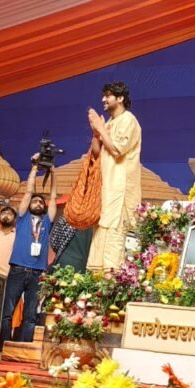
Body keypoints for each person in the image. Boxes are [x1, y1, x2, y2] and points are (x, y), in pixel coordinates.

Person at [1, 159, 57, 347]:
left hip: (37, 274)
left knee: (31, 315)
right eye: (35, 201)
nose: (38, 203)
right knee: (7, 312)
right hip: (18, 269)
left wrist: (53, 172)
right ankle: (3, 346)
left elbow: (53, 196)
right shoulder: (22, 218)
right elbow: (27, 192)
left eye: (41, 202)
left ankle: (23, 348)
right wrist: (34, 167)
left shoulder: (47, 221)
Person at [87, 81, 142, 273]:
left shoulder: (128, 120)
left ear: (120, 98)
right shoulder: (109, 123)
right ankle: (95, 282)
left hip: (120, 190)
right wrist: (96, 132)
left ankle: (110, 284)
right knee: (100, 236)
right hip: (106, 189)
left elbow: (117, 150)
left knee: (114, 237)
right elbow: (96, 153)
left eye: (108, 95)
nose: (103, 99)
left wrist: (101, 129)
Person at [0, 204, 17, 278]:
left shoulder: (17, 234)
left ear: (15, 218)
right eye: (3, 213)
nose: (6, 215)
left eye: (10, 214)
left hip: (7, 275)